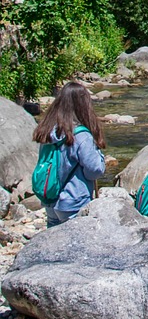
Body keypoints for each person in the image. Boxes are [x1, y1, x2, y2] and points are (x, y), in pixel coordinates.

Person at [32, 81, 106, 226]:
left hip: (50, 199)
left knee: (55, 238)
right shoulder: (81, 135)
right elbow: (95, 170)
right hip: (73, 201)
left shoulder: (47, 130)